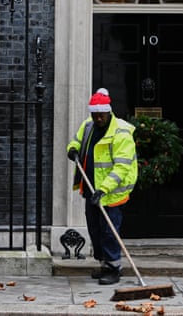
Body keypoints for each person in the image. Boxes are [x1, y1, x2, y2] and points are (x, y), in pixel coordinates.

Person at [67, 88, 138, 285]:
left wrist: (104, 189)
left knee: (109, 231)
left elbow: (122, 167)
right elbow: (77, 140)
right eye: (95, 115)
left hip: (112, 193)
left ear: (108, 112)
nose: (98, 119)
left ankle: (114, 268)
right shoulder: (88, 126)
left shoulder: (121, 132)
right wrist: (72, 149)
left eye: (101, 115)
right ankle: (104, 264)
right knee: (95, 229)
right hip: (90, 188)